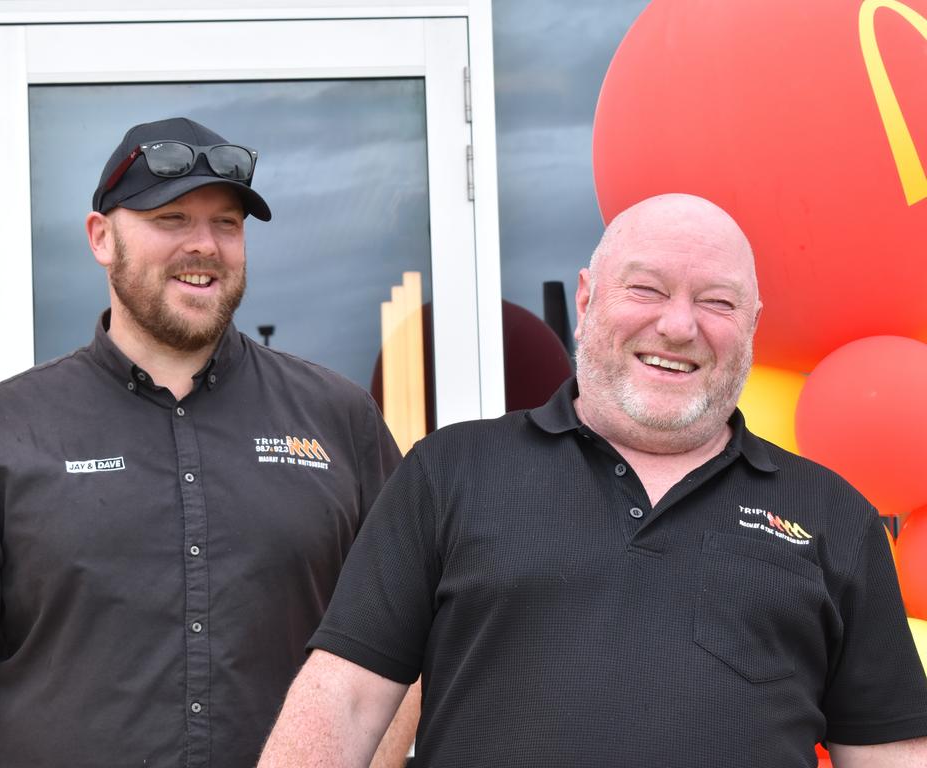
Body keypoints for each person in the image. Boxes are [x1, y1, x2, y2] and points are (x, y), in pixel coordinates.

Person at [258, 193, 927, 767]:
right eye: (648, 289)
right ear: (587, 298)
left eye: (717, 302)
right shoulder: (450, 474)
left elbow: (890, 752)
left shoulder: (832, 514)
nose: (678, 325)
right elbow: (341, 704)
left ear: (751, 326)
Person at [0, 117, 415, 767]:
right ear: (101, 238)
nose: (204, 245)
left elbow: (402, 648)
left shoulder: (339, 420)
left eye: (226, 224)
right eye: (171, 219)